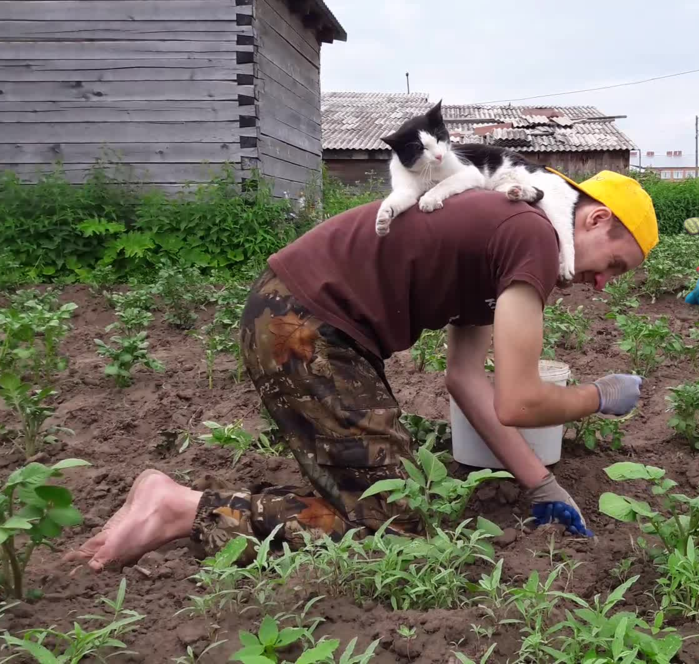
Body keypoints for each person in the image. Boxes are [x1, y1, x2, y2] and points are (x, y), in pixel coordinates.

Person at [65, 169, 658, 571]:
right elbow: (521, 401)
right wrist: (598, 397)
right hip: (305, 327)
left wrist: (542, 485)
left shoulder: (510, 233)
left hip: (297, 318)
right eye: (616, 265)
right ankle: (181, 508)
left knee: (382, 503)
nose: (604, 284)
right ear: (596, 218)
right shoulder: (530, 233)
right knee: (392, 529)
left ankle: (195, 507)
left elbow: (467, 380)